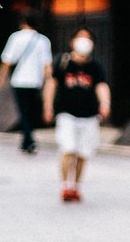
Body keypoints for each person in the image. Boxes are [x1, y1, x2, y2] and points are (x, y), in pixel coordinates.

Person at [44, 29, 110, 202]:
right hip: (66, 113)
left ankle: (76, 186)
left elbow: (101, 86)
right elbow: (52, 84)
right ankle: (66, 186)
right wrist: (48, 107)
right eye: (80, 38)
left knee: (83, 153)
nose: (84, 41)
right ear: (72, 42)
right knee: (68, 148)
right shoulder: (62, 62)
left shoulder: (95, 66)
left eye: (88, 38)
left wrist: (104, 104)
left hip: (89, 114)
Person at [0, 12, 54, 154]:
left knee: (23, 110)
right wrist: (49, 79)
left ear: (23, 22)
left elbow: (7, 60)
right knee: (30, 111)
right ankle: (27, 140)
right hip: (35, 81)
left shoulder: (16, 37)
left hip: (20, 80)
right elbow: (47, 64)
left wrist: (1, 77)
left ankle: (28, 139)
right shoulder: (43, 40)